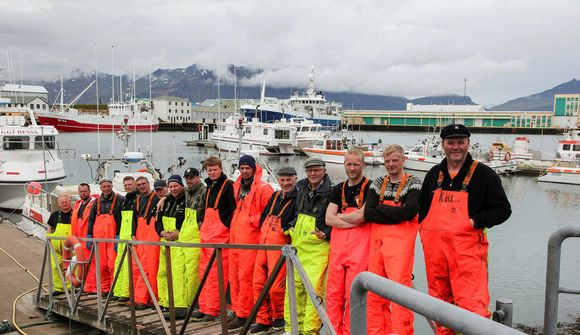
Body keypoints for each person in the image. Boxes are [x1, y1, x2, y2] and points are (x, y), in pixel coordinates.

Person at [418, 124, 511, 335]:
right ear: (443, 145)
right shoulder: (434, 173)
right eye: (450, 142)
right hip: (435, 258)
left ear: (468, 143)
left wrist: (475, 222)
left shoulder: (484, 174)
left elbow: (503, 210)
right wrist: (424, 224)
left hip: (467, 257)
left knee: (473, 311)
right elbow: (422, 205)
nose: (456, 147)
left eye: (461, 142)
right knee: (440, 309)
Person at [364, 144, 422, 335]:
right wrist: (395, 214)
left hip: (400, 248)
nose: (391, 164)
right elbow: (369, 213)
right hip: (377, 246)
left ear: (403, 160)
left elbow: (409, 212)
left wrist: (381, 209)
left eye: (395, 160)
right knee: (374, 295)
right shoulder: (377, 182)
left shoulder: (414, 183)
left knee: (399, 295)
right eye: (387, 161)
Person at [325, 149, 371, 335]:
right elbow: (329, 219)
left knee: (354, 296)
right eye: (349, 164)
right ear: (344, 165)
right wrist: (354, 220)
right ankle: (332, 332)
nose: (352, 168)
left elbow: (364, 216)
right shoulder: (337, 189)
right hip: (337, 252)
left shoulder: (371, 188)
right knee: (333, 296)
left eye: (355, 164)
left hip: (360, 252)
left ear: (363, 165)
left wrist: (342, 219)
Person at [284, 157, 332, 335]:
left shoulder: (331, 191)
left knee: (314, 292)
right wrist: (291, 225)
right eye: (310, 170)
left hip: (318, 250)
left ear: (324, 170)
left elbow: (335, 220)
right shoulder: (302, 187)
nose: (313, 173)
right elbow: (295, 210)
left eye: (317, 170)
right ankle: (291, 328)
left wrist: (325, 233)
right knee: (293, 290)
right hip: (298, 245)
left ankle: (310, 331)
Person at [228, 155, 274, 330]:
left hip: (251, 240)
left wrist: (250, 221)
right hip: (236, 239)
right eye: (242, 168)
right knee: (235, 277)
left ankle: (245, 314)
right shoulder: (237, 186)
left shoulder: (263, 188)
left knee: (247, 278)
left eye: (248, 168)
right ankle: (238, 309)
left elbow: (268, 215)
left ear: (254, 169)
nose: (245, 171)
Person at [250, 167, 298, 333]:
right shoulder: (275, 195)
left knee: (277, 287)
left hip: (279, 246)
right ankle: (263, 319)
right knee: (257, 283)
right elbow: (264, 215)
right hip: (263, 244)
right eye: (282, 180)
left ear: (295, 179)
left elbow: (296, 219)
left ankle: (279, 317)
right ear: (278, 179)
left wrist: (285, 229)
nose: (285, 183)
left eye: (289, 180)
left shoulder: (298, 197)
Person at [194, 156, 236, 322]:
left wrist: (226, 226)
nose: (212, 172)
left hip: (221, 239)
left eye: (215, 169)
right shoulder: (209, 187)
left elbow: (234, 210)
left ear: (221, 169)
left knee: (216, 276)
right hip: (206, 238)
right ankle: (204, 307)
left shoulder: (229, 186)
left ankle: (213, 309)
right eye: (209, 170)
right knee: (203, 274)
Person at [156, 174, 200, 319]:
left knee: (179, 274)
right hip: (165, 242)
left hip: (179, 242)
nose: (173, 189)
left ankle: (181, 306)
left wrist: (178, 234)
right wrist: (160, 231)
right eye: (171, 186)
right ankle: (165, 302)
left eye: (176, 186)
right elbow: (158, 220)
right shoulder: (167, 201)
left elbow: (188, 221)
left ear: (182, 186)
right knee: (163, 273)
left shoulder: (185, 200)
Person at [85, 179, 124, 295]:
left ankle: (115, 289)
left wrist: (118, 235)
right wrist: (89, 235)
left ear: (112, 186)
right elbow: (91, 220)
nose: (106, 189)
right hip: (99, 240)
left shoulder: (120, 199)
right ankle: (104, 289)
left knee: (113, 265)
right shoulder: (96, 202)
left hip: (113, 239)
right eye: (104, 187)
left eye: (108, 186)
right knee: (101, 265)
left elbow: (121, 219)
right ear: (100, 188)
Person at [131, 176, 160, 310]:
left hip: (153, 236)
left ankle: (154, 299)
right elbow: (134, 218)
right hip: (140, 235)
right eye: (139, 185)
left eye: (143, 184)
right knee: (140, 268)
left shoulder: (157, 197)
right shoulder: (138, 199)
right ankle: (141, 299)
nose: (142, 186)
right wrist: (133, 234)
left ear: (149, 184)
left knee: (152, 268)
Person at [113, 176, 139, 302]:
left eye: (130, 184)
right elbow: (119, 220)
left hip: (132, 236)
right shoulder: (124, 200)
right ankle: (117, 290)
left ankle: (126, 292)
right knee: (119, 264)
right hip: (122, 236)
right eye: (126, 185)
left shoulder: (138, 198)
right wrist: (117, 235)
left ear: (135, 184)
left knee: (129, 265)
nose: (128, 186)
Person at [47, 193, 73, 295]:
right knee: (56, 267)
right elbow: (49, 227)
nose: (64, 204)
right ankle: (59, 288)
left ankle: (71, 287)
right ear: (58, 204)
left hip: (71, 248)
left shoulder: (75, 214)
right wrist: (49, 236)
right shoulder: (54, 215)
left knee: (71, 267)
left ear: (69, 202)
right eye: (62, 202)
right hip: (56, 248)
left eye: (66, 202)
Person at [70, 183, 95, 282]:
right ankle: (82, 284)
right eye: (81, 191)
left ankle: (91, 286)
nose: (83, 193)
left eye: (85, 191)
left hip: (88, 238)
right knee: (80, 262)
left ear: (89, 192)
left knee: (91, 262)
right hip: (78, 239)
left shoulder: (93, 204)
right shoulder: (78, 204)